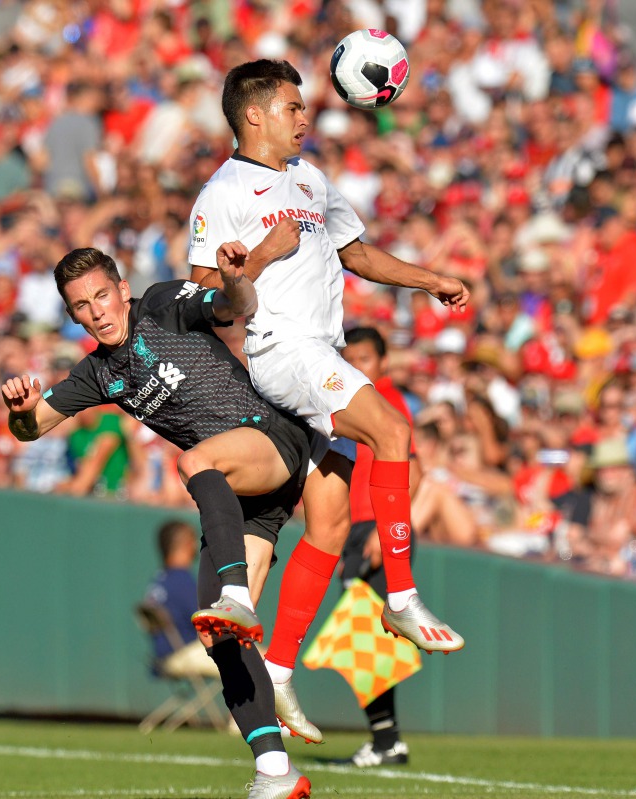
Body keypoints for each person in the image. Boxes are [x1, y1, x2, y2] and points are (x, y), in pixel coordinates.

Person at [184, 63, 466, 719]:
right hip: (282, 350)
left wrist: (430, 279)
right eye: (291, 107)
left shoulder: (312, 181)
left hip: (321, 354)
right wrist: (256, 261)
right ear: (253, 115)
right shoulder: (223, 191)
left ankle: (278, 669)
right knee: (393, 430)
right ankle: (401, 596)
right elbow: (204, 294)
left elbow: (359, 254)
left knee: (331, 522)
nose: (304, 117)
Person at [1, 245, 316, 799]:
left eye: (102, 295)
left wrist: (238, 282)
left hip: (267, 441)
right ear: (72, 315)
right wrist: (21, 411)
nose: (97, 311)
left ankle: (236, 594)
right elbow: (30, 430)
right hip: (239, 494)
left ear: (122, 289)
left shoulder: (164, 304)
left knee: (193, 462)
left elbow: (231, 306)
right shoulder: (98, 373)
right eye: (82, 305)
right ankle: (275, 771)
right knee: (222, 640)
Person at [333, 327, 422, 767]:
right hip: (356, 528)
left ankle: (387, 740)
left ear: (383, 362)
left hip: (377, 529)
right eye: (351, 358)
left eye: (364, 358)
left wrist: (382, 530)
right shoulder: (350, 399)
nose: (357, 367)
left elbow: (414, 470)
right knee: (360, 638)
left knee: (369, 638)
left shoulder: (384, 397)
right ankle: (386, 738)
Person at [141, 520, 216, 680]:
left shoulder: (159, 579)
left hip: (162, 656)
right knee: (259, 658)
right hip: (184, 655)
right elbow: (206, 623)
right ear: (187, 544)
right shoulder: (181, 580)